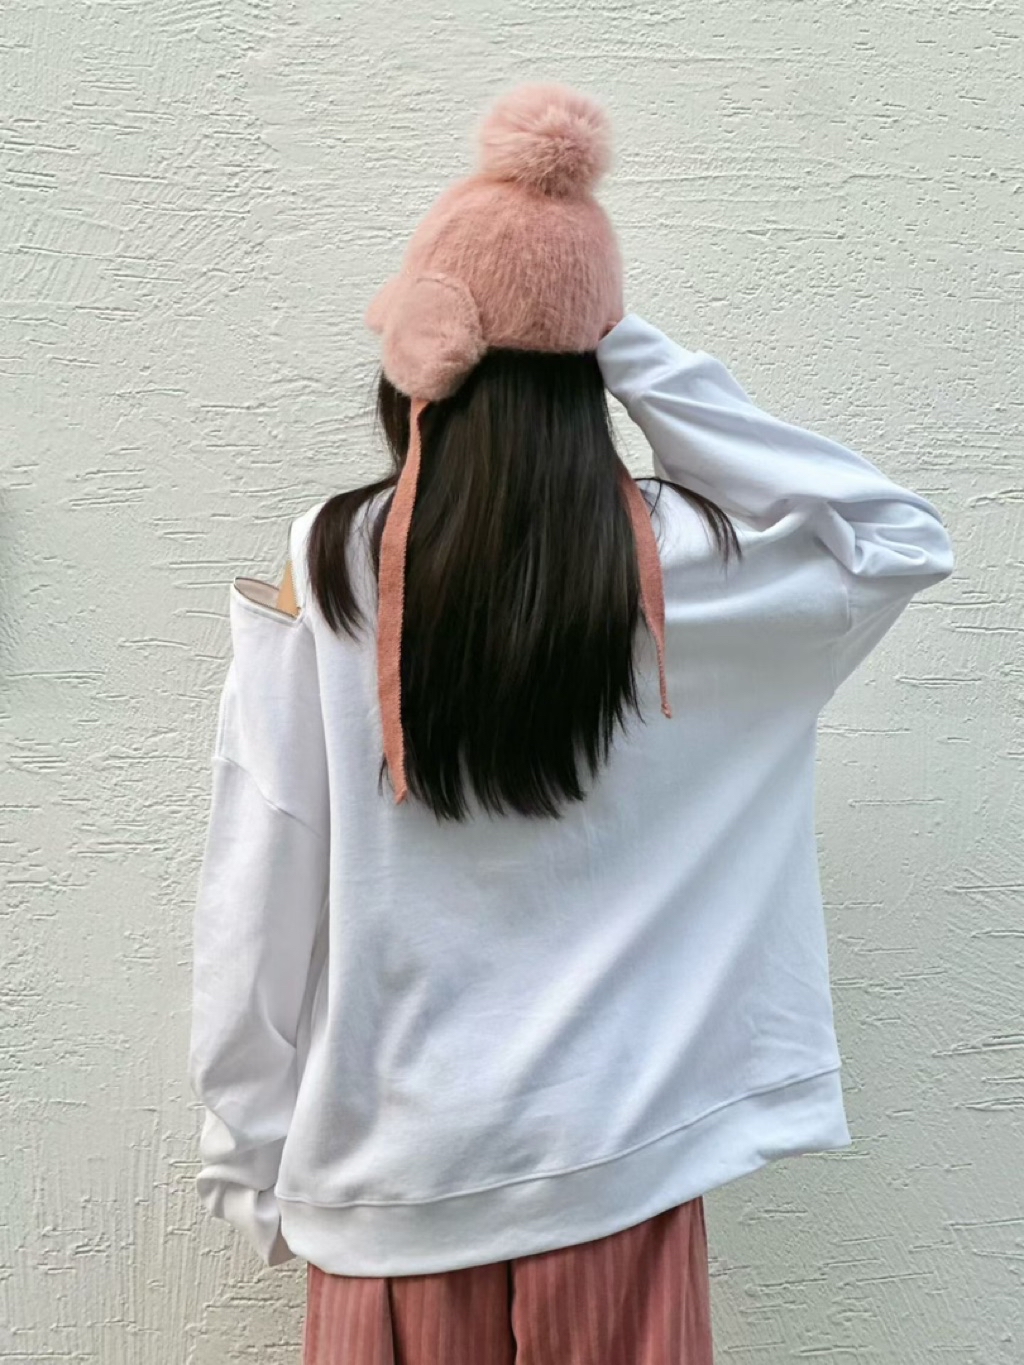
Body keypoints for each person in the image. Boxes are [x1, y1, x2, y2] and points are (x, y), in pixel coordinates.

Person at [188, 83, 955, 1364]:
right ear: (596, 368)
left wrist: (246, 1156)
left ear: (421, 357)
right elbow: (895, 536)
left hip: (390, 1192)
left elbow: (257, 870)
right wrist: (605, 337)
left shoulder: (335, 565)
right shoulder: (693, 562)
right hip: (620, 1183)